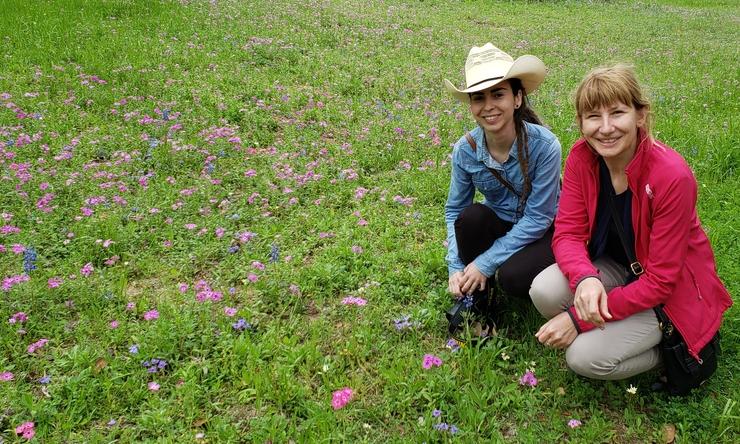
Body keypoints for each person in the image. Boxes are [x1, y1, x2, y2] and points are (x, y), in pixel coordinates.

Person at [530, 64, 732, 381]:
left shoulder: (671, 175)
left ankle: (669, 350)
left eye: (618, 113)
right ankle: (614, 323)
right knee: (544, 291)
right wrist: (585, 279)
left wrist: (576, 319)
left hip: (668, 292)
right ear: (581, 122)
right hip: (617, 267)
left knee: (584, 357)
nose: (606, 127)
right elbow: (567, 233)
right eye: (593, 116)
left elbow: (662, 281)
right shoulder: (581, 159)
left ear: (640, 115)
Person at [443, 43, 561, 335]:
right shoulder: (465, 150)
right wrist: (455, 266)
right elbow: (454, 210)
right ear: (471, 106)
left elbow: (539, 218)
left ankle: (493, 279)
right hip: (501, 223)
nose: (488, 106)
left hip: (543, 230)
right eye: (478, 98)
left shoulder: (545, 146)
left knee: (513, 278)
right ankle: (478, 302)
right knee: (470, 218)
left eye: (498, 94)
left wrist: (485, 261)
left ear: (518, 98)